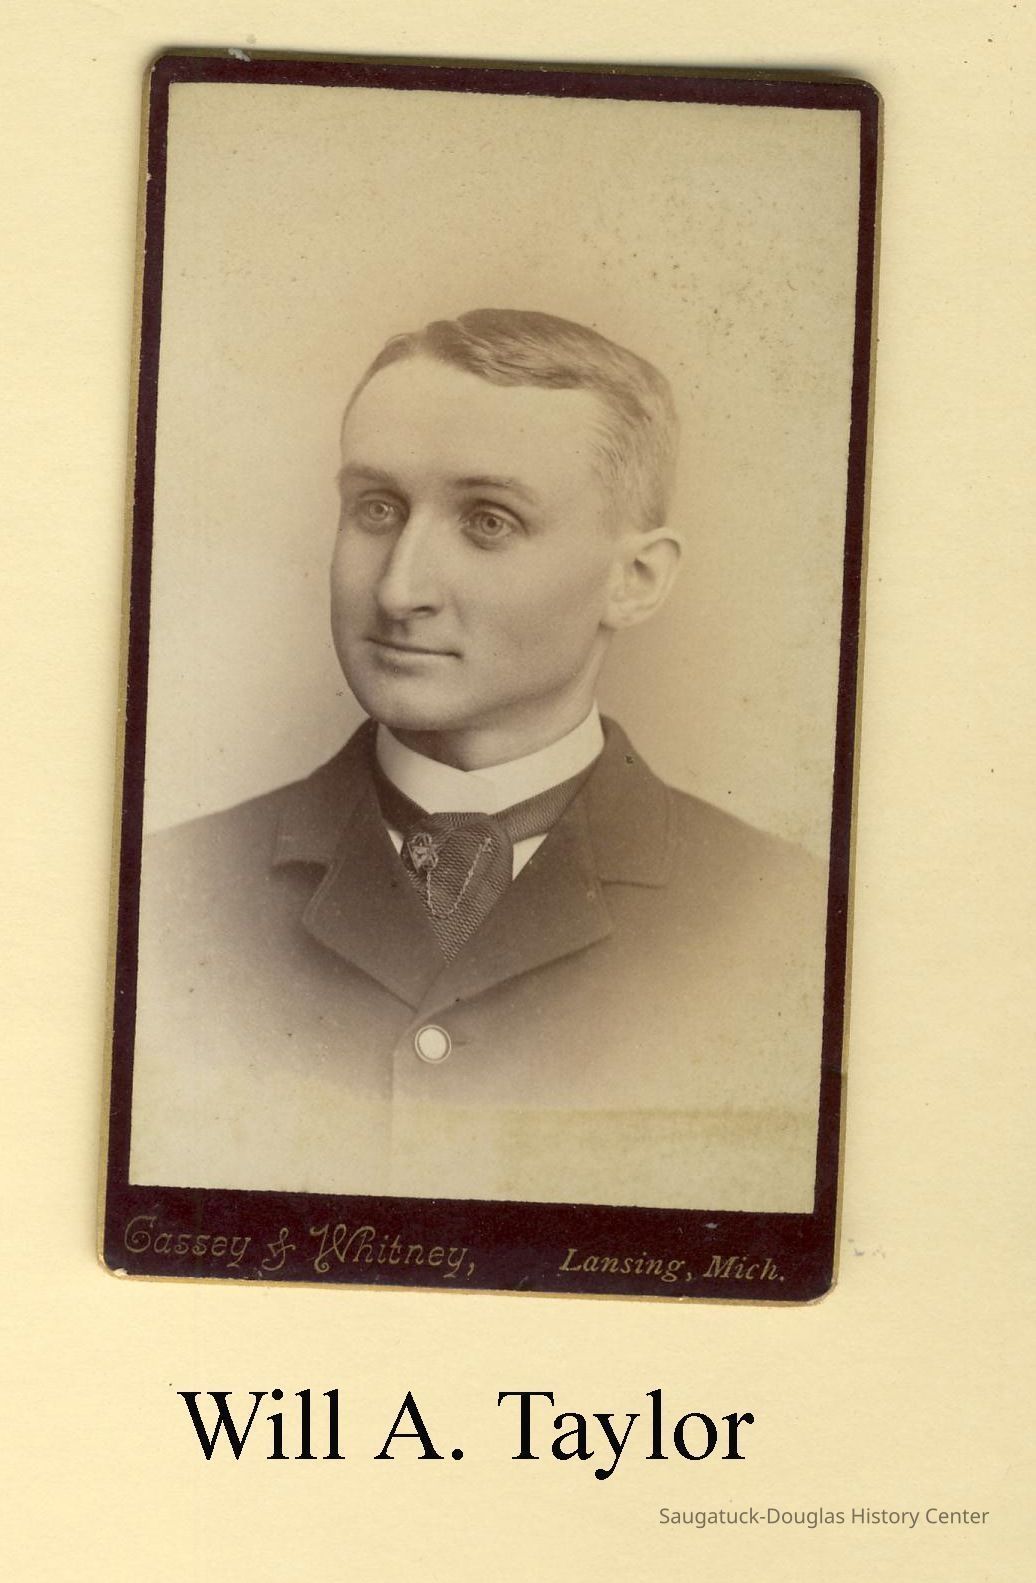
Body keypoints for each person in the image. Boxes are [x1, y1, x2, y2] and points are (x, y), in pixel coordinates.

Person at [129, 309, 826, 1211]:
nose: (399, 588)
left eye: (489, 521)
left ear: (636, 580)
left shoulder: (783, 923)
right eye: (376, 509)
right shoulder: (167, 896)